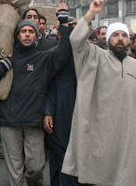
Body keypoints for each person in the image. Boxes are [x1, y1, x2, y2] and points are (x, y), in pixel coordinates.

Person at [61, 0, 136, 186]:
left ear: (129, 40)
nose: (120, 38)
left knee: (123, 175)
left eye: (124, 35)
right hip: (99, 131)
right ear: (108, 39)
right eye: (115, 35)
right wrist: (90, 14)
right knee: (98, 175)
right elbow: (76, 40)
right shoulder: (94, 56)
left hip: (126, 130)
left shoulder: (135, 65)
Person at [0, 11, 72, 186]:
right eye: (23, 31)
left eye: (31, 31)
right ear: (18, 35)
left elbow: (65, 51)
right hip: (9, 122)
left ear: (36, 35)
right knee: (15, 172)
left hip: (34, 122)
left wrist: (63, 22)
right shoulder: (7, 57)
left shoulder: (44, 57)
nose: (27, 34)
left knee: (36, 168)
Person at [44, 16, 79, 186]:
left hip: (81, 115)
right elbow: (46, 88)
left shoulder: (87, 55)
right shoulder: (51, 56)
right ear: (59, 34)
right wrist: (48, 111)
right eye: (68, 29)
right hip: (59, 114)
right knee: (60, 159)